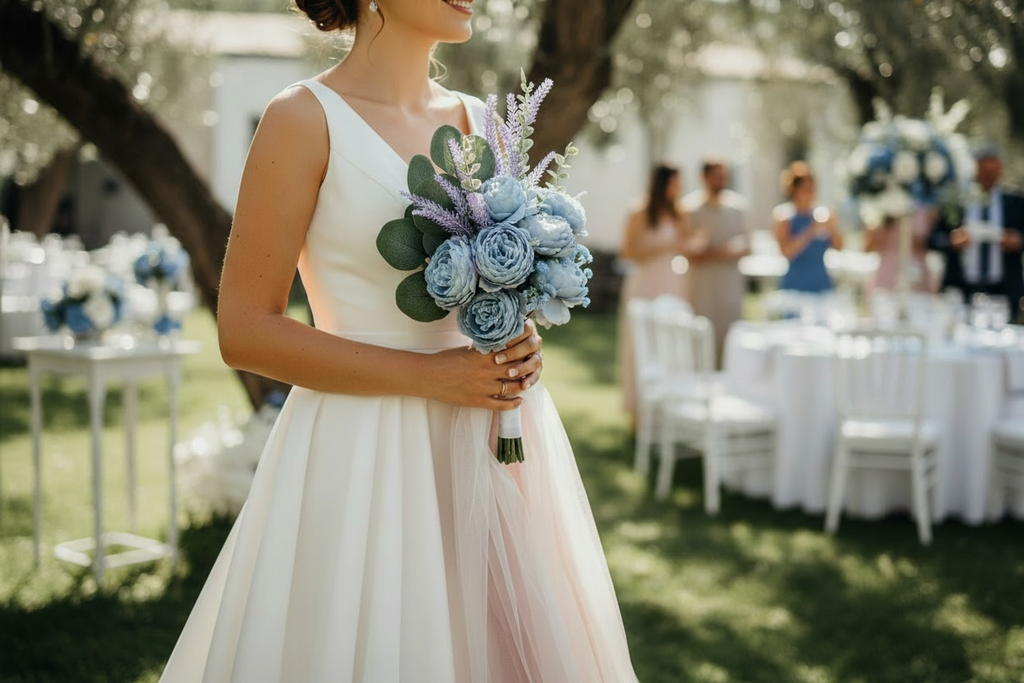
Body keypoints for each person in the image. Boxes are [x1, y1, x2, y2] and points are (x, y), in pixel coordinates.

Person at [159, 2, 638, 681]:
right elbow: (244, 330)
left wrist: (517, 331)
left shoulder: (480, 122)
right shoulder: (300, 118)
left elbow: (485, 291)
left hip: (488, 444)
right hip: (360, 446)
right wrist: (428, 376)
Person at [617, 162, 690, 417]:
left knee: (671, 340)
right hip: (646, 281)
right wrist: (665, 246)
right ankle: (639, 410)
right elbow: (627, 252)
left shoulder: (679, 212)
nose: (678, 188)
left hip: (671, 281)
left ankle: (669, 412)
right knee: (642, 342)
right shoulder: (639, 212)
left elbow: (683, 245)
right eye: (674, 182)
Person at [927, 146, 1024, 322]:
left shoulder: (1015, 202)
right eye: (985, 172)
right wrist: (952, 241)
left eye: (993, 172)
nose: (989, 177)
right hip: (961, 289)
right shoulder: (956, 201)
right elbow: (933, 239)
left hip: (1003, 291)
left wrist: (1018, 241)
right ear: (975, 170)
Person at [683, 157, 750, 363]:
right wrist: (724, 252)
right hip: (701, 290)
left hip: (730, 289)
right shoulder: (689, 209)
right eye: (716, 176)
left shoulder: (738, 208)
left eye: (723, 176)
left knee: (731, 344)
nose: (721, 180)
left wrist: (712, 253)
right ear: (704, 177)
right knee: (699, 346)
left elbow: (746, 248)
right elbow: (689, 253)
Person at [773, 161, 843, 294]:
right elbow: (786, 252)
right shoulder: (784, 216)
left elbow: (839, 246)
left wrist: (833, 228)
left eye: (812, 188)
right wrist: (810, 231)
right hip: (795, 285)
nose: (810, 193)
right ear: (794, 190)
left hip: (821, 284)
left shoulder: (823, 214)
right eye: (805, 189)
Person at [863, 208, 937, 296]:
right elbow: (868, 247)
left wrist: (904, 226)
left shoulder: (927, 210)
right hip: (886, 274)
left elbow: (931, 243)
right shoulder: (882, 210)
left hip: (916, 272)